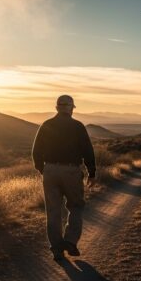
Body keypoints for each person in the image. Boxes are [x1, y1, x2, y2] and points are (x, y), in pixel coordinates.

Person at [32, 95, 96, 260]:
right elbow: (88, 151)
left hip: (50, 171)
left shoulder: (46, 125)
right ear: (70, 108)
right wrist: (92, 172)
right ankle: (70, 242)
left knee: (52, 211)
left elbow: (36, 151)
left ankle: (56, 248)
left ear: (56, 108)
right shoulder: (77, 126)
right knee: (76, 207)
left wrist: (43, 169)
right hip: (71, 171)